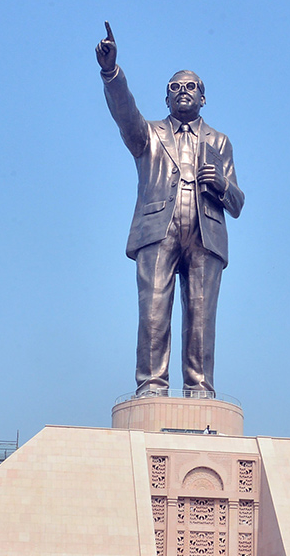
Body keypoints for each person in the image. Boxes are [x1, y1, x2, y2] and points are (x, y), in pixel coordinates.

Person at [96, 23, 245, 398]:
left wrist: (222, 185)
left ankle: (199, 388)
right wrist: (112, 73)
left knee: (201, 317)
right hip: (157, 228)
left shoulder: (220, 141)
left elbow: (239, 203)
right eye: (174, 87)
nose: (183, 91)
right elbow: (125, 114)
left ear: (203, 98)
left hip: (205, 232)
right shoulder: (148, 135)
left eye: (190, 86)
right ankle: (151, 385)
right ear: (166, 99)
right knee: (153, 312)